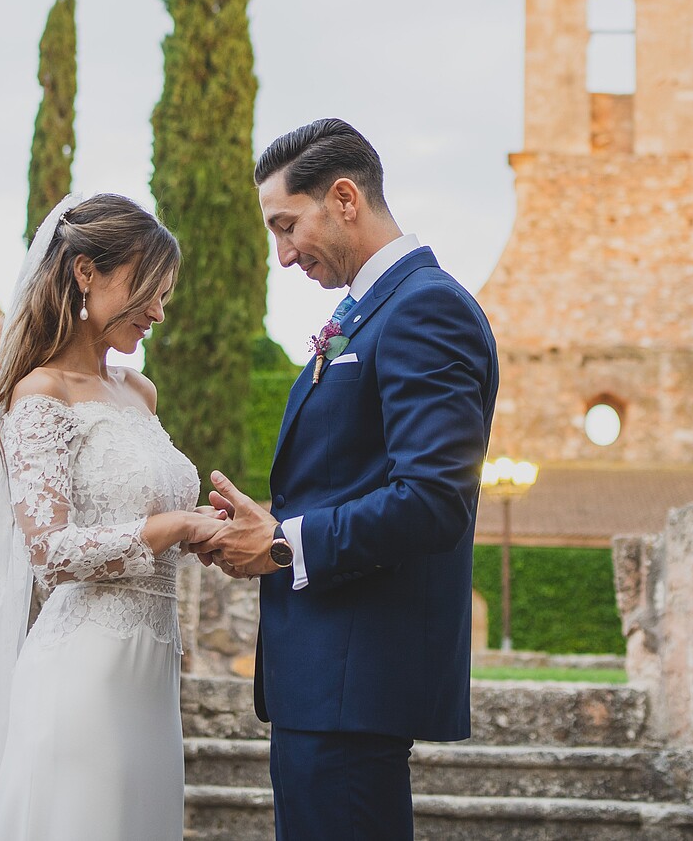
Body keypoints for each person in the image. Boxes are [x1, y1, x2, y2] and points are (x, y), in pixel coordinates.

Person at [0, 192, 227, 841]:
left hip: (150, 675)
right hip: (83, 676)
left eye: (165, 294)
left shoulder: (139, 392)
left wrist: (202, 523)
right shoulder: (40, 394)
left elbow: (137, 516)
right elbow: (51, 551)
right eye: (148, 289)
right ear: (86, 271)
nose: (159, 312)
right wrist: (171, 528)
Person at [198, 118, 500, 841]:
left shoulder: (426, 307)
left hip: (354, 683)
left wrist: (281, 545)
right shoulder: (365, 313)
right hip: (324, 683)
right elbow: (348, 476)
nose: (280, 254)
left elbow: (433, 498)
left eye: (286, 225)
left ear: (342, 198)